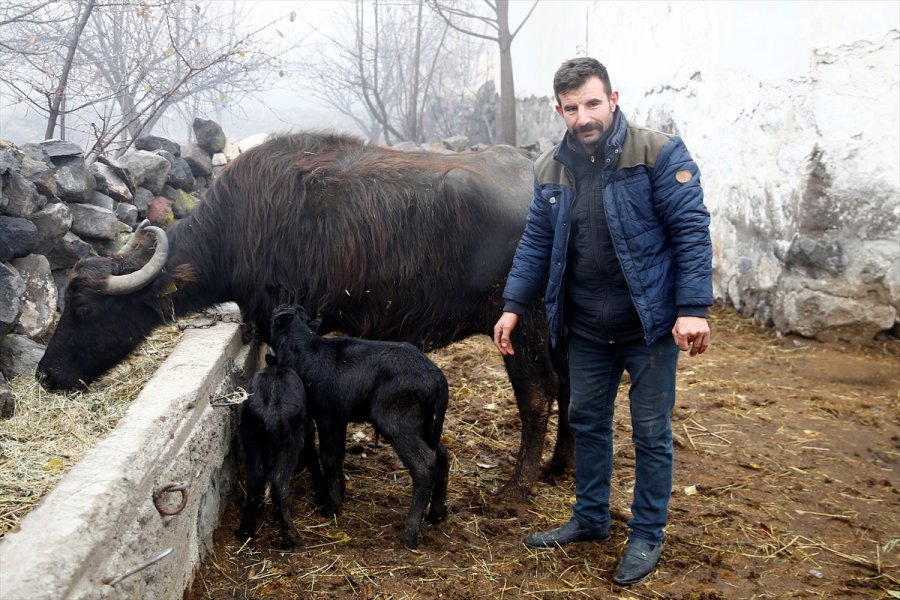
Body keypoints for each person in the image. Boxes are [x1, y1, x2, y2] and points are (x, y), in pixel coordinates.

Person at [493, 57, 712, 587]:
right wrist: (513, 305)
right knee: (586, 422)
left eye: (592, 103)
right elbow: (536, 244)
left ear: (613, 99)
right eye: (571, 108)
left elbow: (690, 230)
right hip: (587, 327)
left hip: (650, 324)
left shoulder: (658, 152)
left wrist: (692, 309)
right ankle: (591, 518)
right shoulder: (551, 167)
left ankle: (647, 532)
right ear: (559, 110)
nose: (583, 117)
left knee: (651, 433)